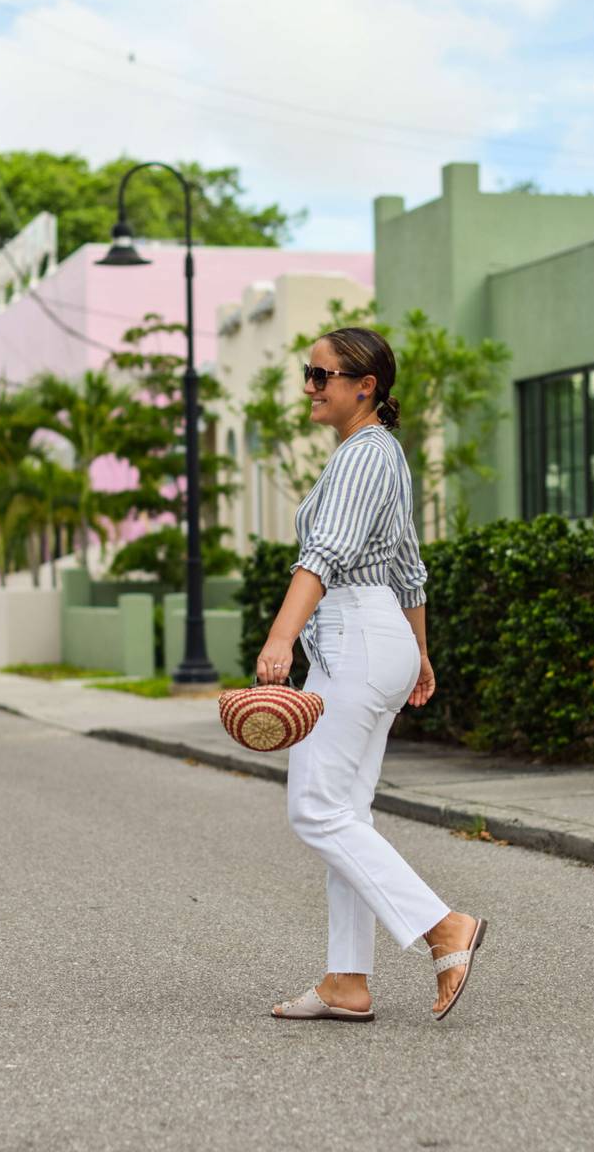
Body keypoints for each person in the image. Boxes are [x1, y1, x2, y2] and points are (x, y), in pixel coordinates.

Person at [256, 327, 487, 1024]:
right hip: (378, 636)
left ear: (366, 386)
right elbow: (408, 566)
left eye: (321, 375)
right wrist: (418, 652)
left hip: (355, 636)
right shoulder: (380, 457)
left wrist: (280, 638)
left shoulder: (364, 456)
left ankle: (444, 927)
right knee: (345, 814)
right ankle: (346, 982)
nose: (309, 386)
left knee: (315, 809)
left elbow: (324, 555)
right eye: (309, 372)